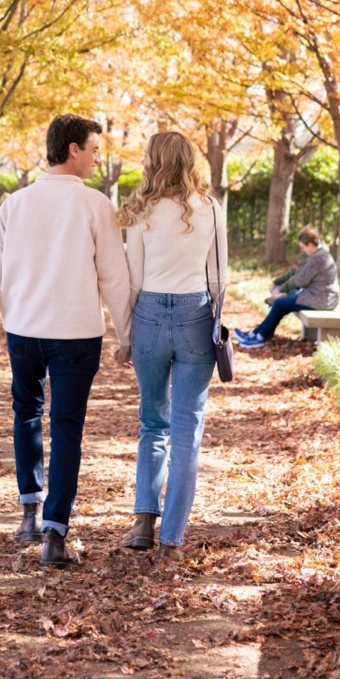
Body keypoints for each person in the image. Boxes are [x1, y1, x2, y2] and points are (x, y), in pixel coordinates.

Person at [0, 114, 131, 570]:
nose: (98, 158)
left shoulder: (14, 204)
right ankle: (55, 535)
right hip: (77, 334)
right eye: (94, 149)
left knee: (26, 414)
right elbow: (114, 277)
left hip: (24, 331)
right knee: (66, 429)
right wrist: (126, 335)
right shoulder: (96, 205)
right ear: (73, 150)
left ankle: (28, 513)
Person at [118, 132, 228, 567]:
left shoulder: (141, 211)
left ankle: (143, 521)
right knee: (187, 432)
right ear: (190, 161)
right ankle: (172, 541)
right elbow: (219, 279)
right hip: (195, 319)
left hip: (148, 318)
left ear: (153, 163)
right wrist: (215, 321)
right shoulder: (211, 209)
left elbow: (132, 279)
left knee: (152, 422)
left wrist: (125, 336)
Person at [233, 226, 338, 349]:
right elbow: (298, 276)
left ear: (310, 244)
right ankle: (257, 334)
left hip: (320, 299)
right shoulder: (321, 254)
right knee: (281, 303)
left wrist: (283, 290)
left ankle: (259, 336)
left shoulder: (317, 258)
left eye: (302, 247)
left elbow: (300, 280)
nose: (302, 250)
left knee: (279, 304)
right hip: (321, 297)